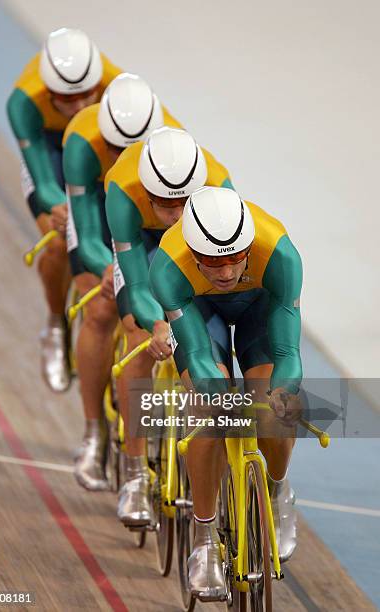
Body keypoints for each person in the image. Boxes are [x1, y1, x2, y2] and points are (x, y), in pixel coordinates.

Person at [149, 186, 302, 601]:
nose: (226, 273)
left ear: (249, 245)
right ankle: (203, 537)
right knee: (208, 412)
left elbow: (289, 351)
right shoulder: (168, 265)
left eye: (236, 259)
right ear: (195, 254)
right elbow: (196, 352)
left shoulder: (280, 252)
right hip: (203, 315)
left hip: (259, 308)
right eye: (214, 263)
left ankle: (278, 490)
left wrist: (284, 390)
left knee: (276, 407)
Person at [105, 127, 234, 526]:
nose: (177, 214)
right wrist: (157, 323)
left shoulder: (218, 182)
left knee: (213, 367)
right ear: (147, 193)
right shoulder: (123, 190)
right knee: (140, 335)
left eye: (185, 201)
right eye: (166, 204)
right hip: (142, 245)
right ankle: (135, 471)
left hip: (194, 250)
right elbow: (138, 283)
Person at [62, 73, 180, 490]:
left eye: (132, 149)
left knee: (151, 315)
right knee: (99, 308)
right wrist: (104, 265)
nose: (121, 156)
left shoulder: (173, 146)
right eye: (114, 147)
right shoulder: (81, 144)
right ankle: (93, 432)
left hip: (147, 211)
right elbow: (89, 231)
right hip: (101, 208)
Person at [7, 27, 121, 392]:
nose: (78, 109)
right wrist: (57, 205)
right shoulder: (25, 100)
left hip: (94, 147)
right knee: (59, 239)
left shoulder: (115, 84)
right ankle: (56, 321)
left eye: (87, 96)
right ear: (48, 90)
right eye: (65, 100)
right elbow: (42, 178)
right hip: (51, 150)